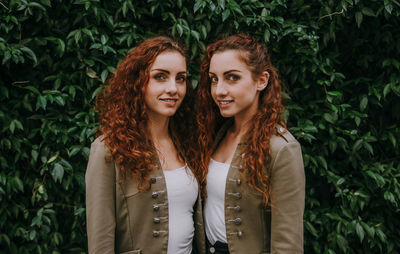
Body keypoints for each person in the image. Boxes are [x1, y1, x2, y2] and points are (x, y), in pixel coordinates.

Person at [85, 36, 205, 254]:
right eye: (160, 77)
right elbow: (100, 242)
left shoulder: (187, 142)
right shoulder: (109, 148)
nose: (173, 88)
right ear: (138, 82)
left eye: (181, 78)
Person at [196, 33, 305, 254]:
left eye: (232, 77)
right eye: (214, 79)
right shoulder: (215, 136)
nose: (219, 90)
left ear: (261, 81)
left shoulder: (281, 148)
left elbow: (287, 244)